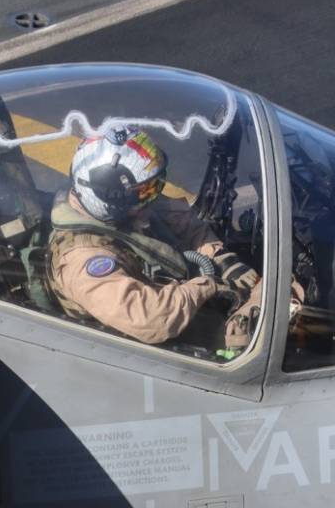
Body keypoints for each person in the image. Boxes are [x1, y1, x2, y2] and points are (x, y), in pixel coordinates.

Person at [47, 125, 260, 348]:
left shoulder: (128, 204)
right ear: (110, 199)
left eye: (155, 186)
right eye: (146, 191)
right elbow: (151, 319)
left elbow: (184, 221)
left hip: (176, 298)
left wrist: (223, 260)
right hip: (144, 346)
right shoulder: (83, 261)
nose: (153, 196)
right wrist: (209, 286)